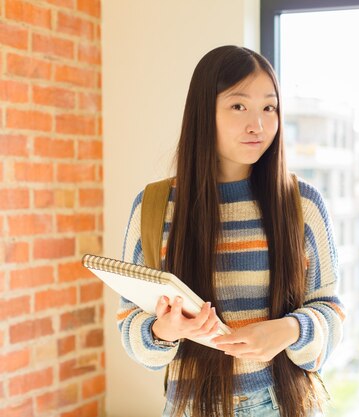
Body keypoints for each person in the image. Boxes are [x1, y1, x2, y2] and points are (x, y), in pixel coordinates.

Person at [117, 45, 345, 417]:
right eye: (239, 106)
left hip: (283, 404)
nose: (258, 124)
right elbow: (130, 326)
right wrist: (166, 329)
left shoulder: (302, 204)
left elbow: (331, 313)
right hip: (192, 406)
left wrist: (288, 330)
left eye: (269, 107)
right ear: (204, 113)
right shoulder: (155, 206)